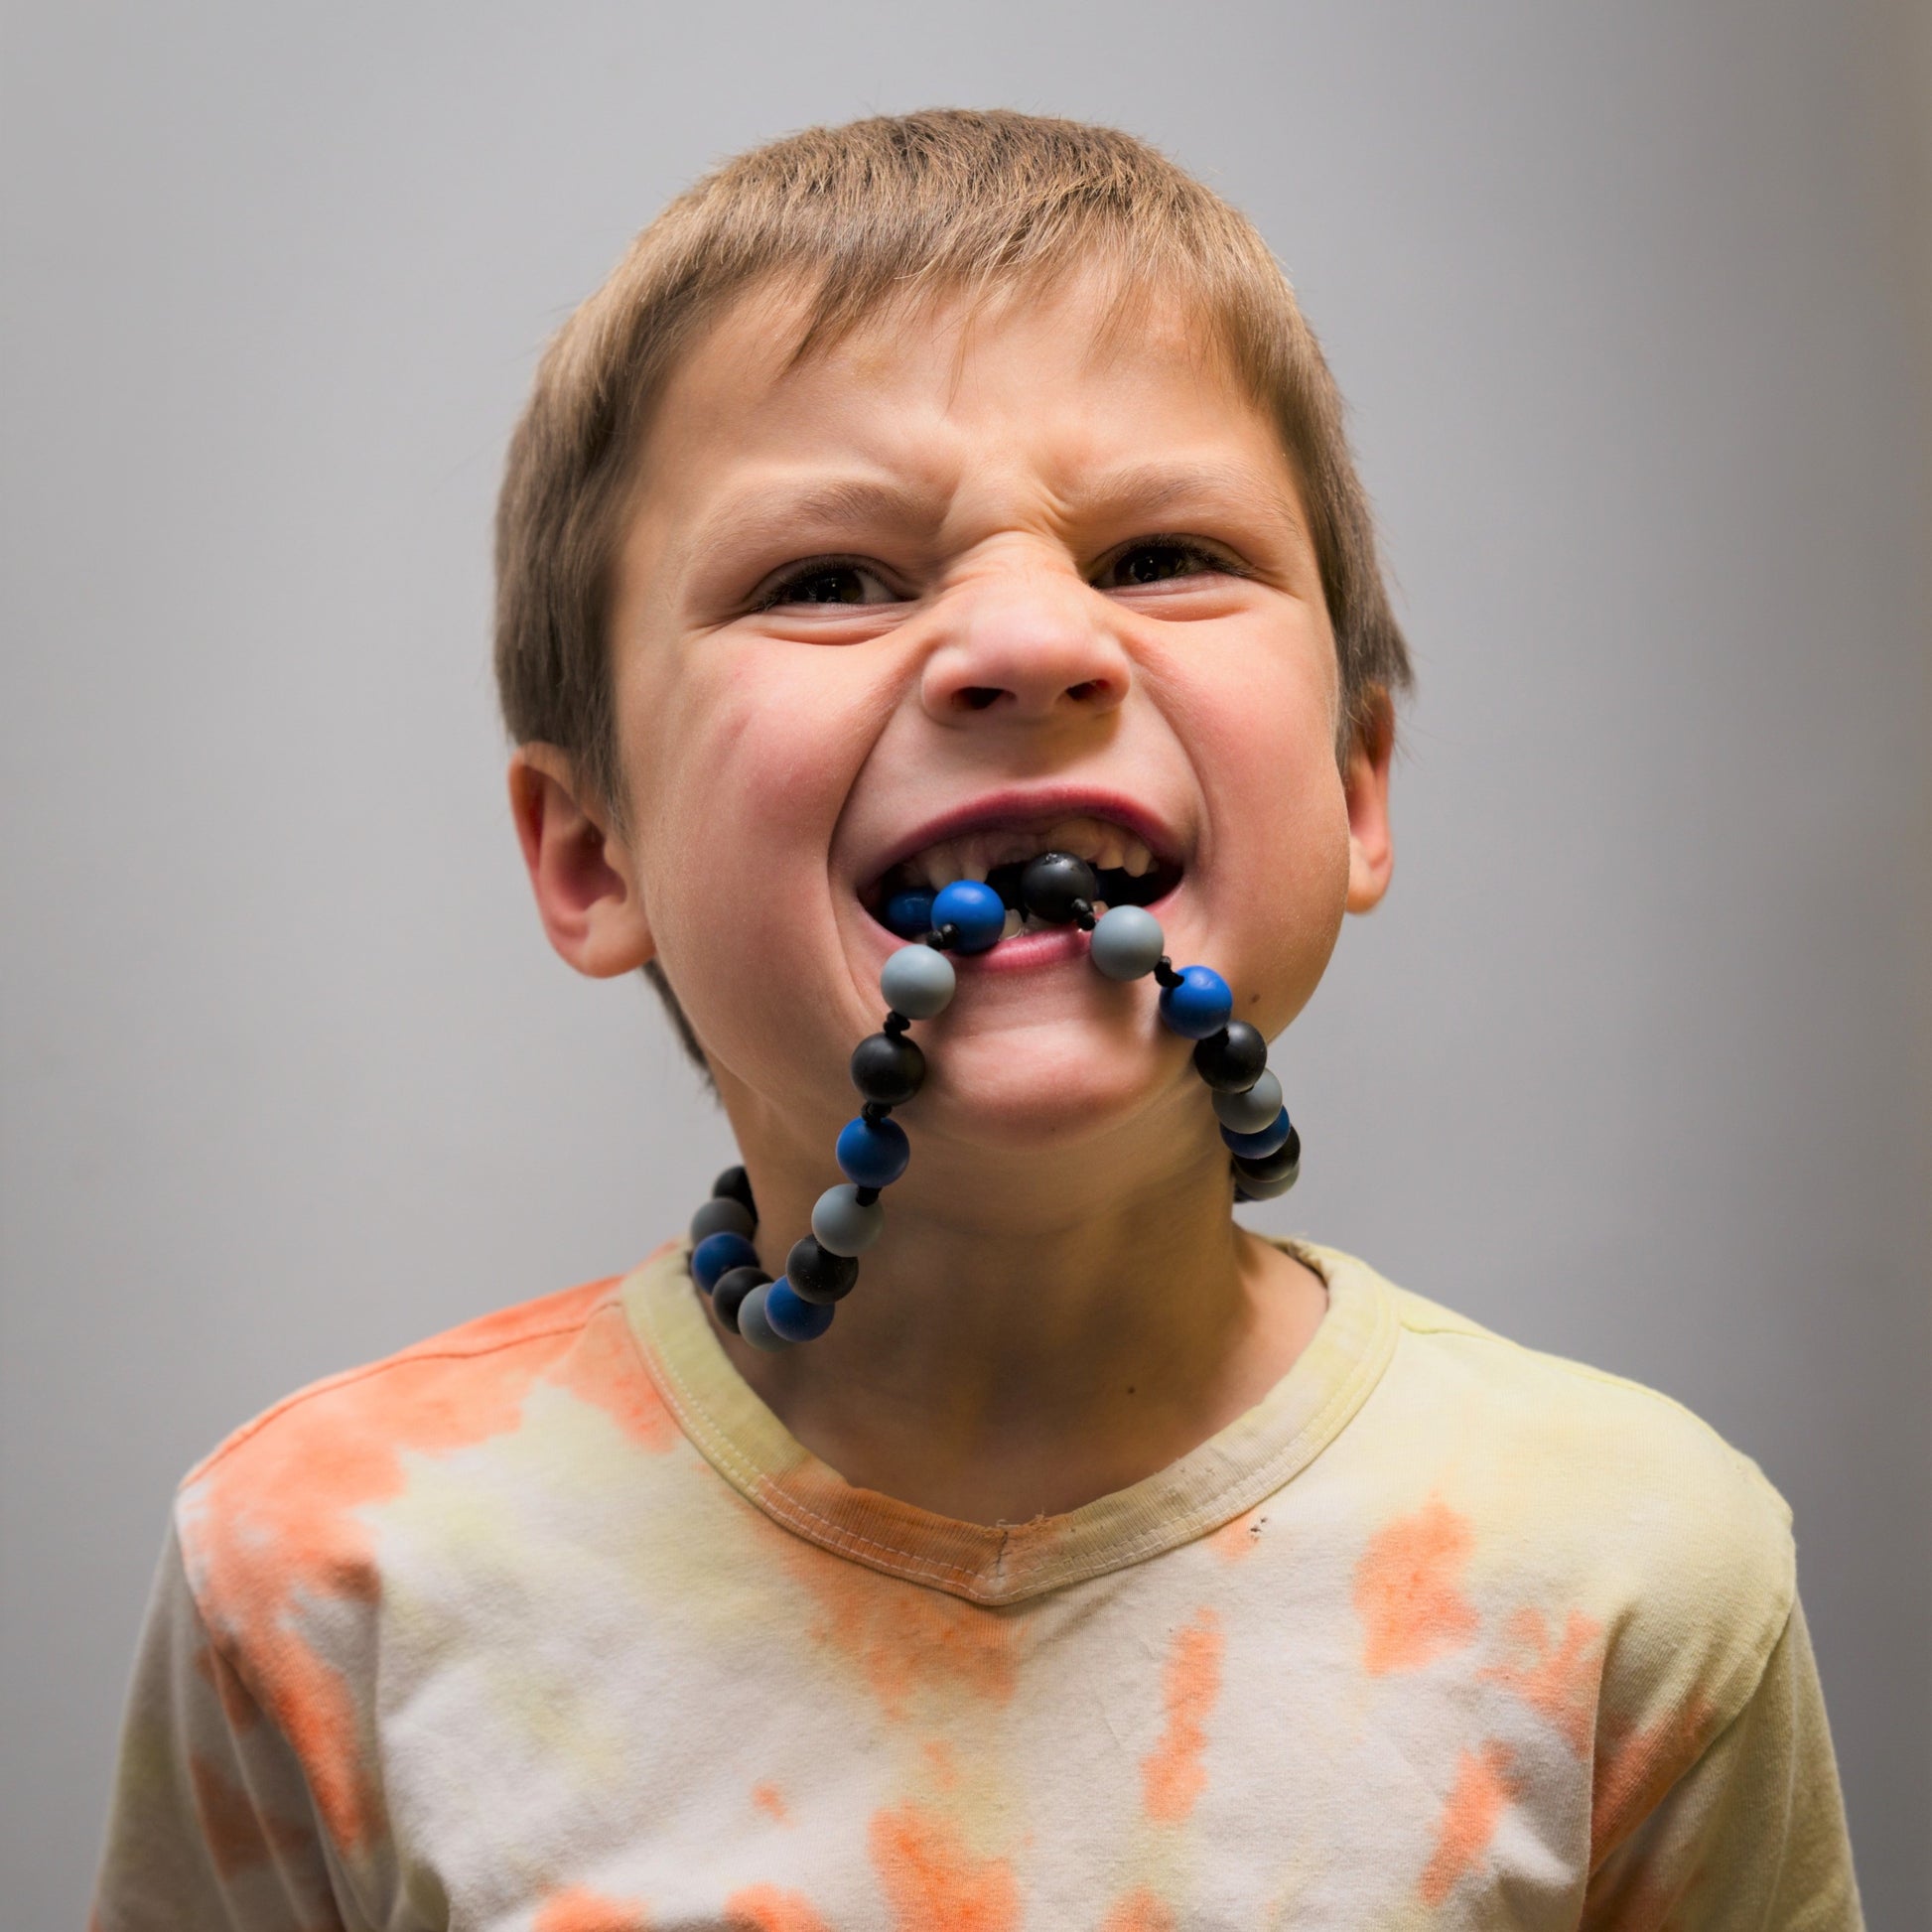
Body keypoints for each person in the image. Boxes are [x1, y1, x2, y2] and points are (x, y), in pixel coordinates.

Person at [90, 110, 1863, 1929]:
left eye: (1161, 553)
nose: (1029, 644)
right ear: (593, 851)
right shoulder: (321, 1581)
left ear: (1353, 784)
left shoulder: (1634, 1581)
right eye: (826, 581)